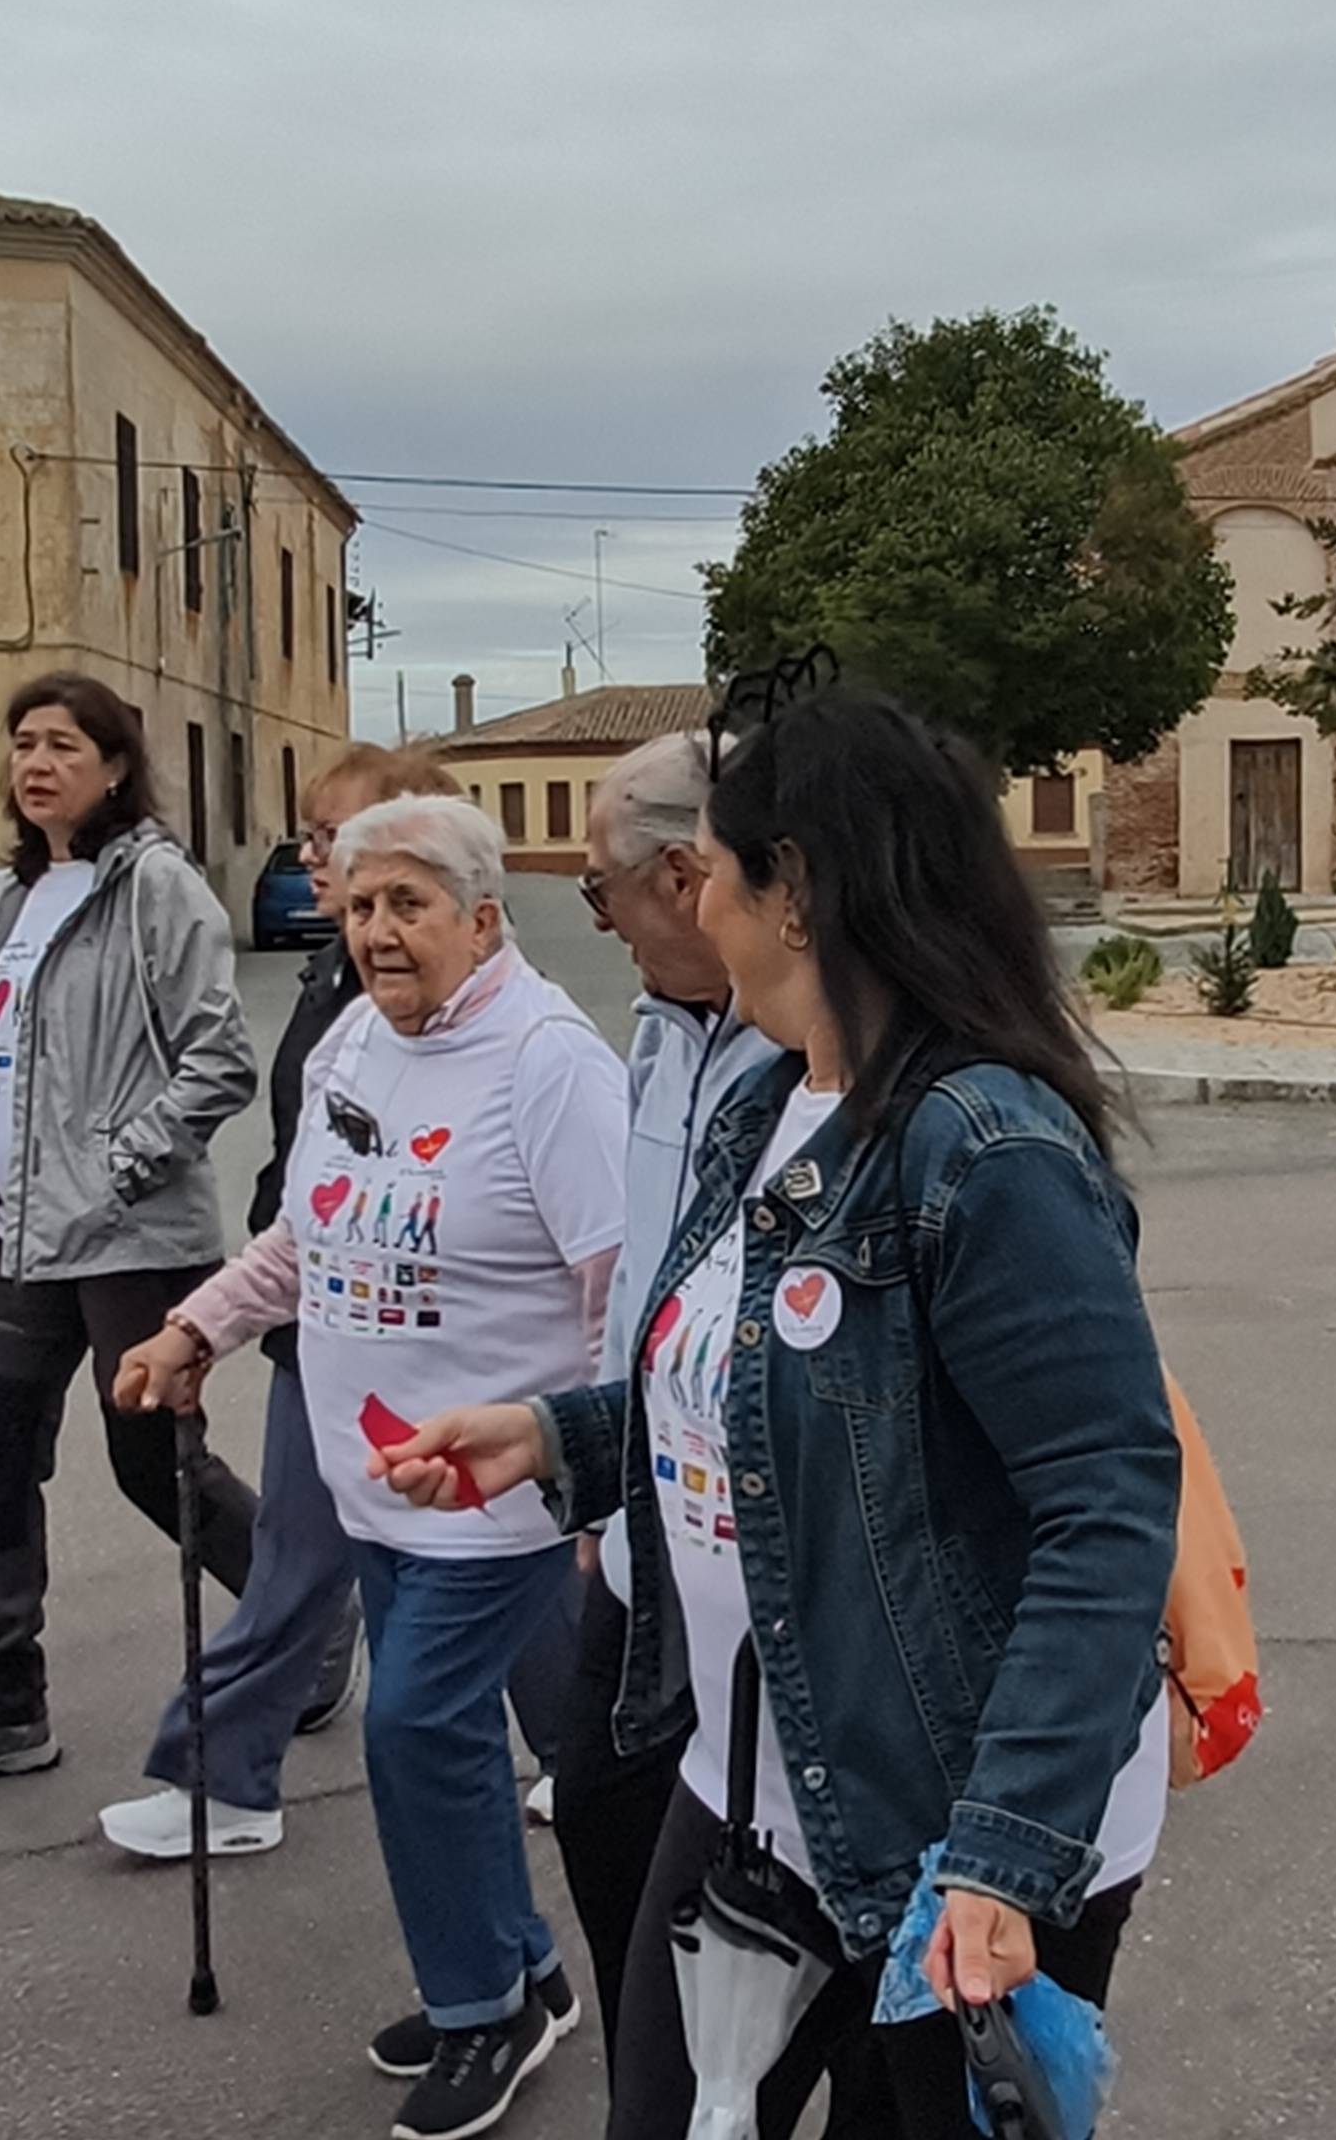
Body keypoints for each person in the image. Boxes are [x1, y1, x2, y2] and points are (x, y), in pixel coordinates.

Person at [373, 677, 1182, 2140]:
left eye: (720, 876)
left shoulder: (984, 1147)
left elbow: (1107, 1510)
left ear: (791, 891)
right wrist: (567, 1439)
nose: (699, 906)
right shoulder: (765, 1108)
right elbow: (761, 1399)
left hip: (951, 1824)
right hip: (750, 1780)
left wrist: (1004, 1854)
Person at [121, 794, 625, 2140]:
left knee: (413, 1730)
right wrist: (196, 1327)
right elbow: (306, 1239)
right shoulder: (356, 1034)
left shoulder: (550, 1063)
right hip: (375, 1482)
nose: (379, 933)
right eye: (358, 906)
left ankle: (482, 2013)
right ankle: (519, 1971)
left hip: (499, 1493)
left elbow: (613, 1292)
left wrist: (591, 1477)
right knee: (443, 1737)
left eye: (408, 905)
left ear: (483, 917)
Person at [0, 674, 263, 1798]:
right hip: (24, 1234)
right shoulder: (10, 898)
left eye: (62, 744)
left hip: (130, 1236)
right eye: (23, 744)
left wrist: (116, 1167)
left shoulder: (156, 890)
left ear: (112, 766)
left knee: (151, 1465)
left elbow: (220, 1061)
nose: (36, 763)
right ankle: (1, 1705)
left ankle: (303, 1614)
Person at [93, 742, 454, 1860]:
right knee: (296, 1563)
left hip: (432, 1341)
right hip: (325, 1319)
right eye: (311, 838)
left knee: (505, 1586)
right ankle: (228, 1782)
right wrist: (214, 1315)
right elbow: (310, 1188)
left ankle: (589, 1769)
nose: (313, 857)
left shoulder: (467, 1011)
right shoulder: (336, 985)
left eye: (330, 836)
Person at [548, 732, 790, 2086]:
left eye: (601, 891)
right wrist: (593, 1468)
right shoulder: (656, 1037)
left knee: (739, 1914)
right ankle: (681, 2074)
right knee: (598, 1818)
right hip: (643, 1536)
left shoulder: (816, 1065)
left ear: (692, 875)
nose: (599, 920)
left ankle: (703, 2083)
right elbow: (633, 1280)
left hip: (756, 1582)